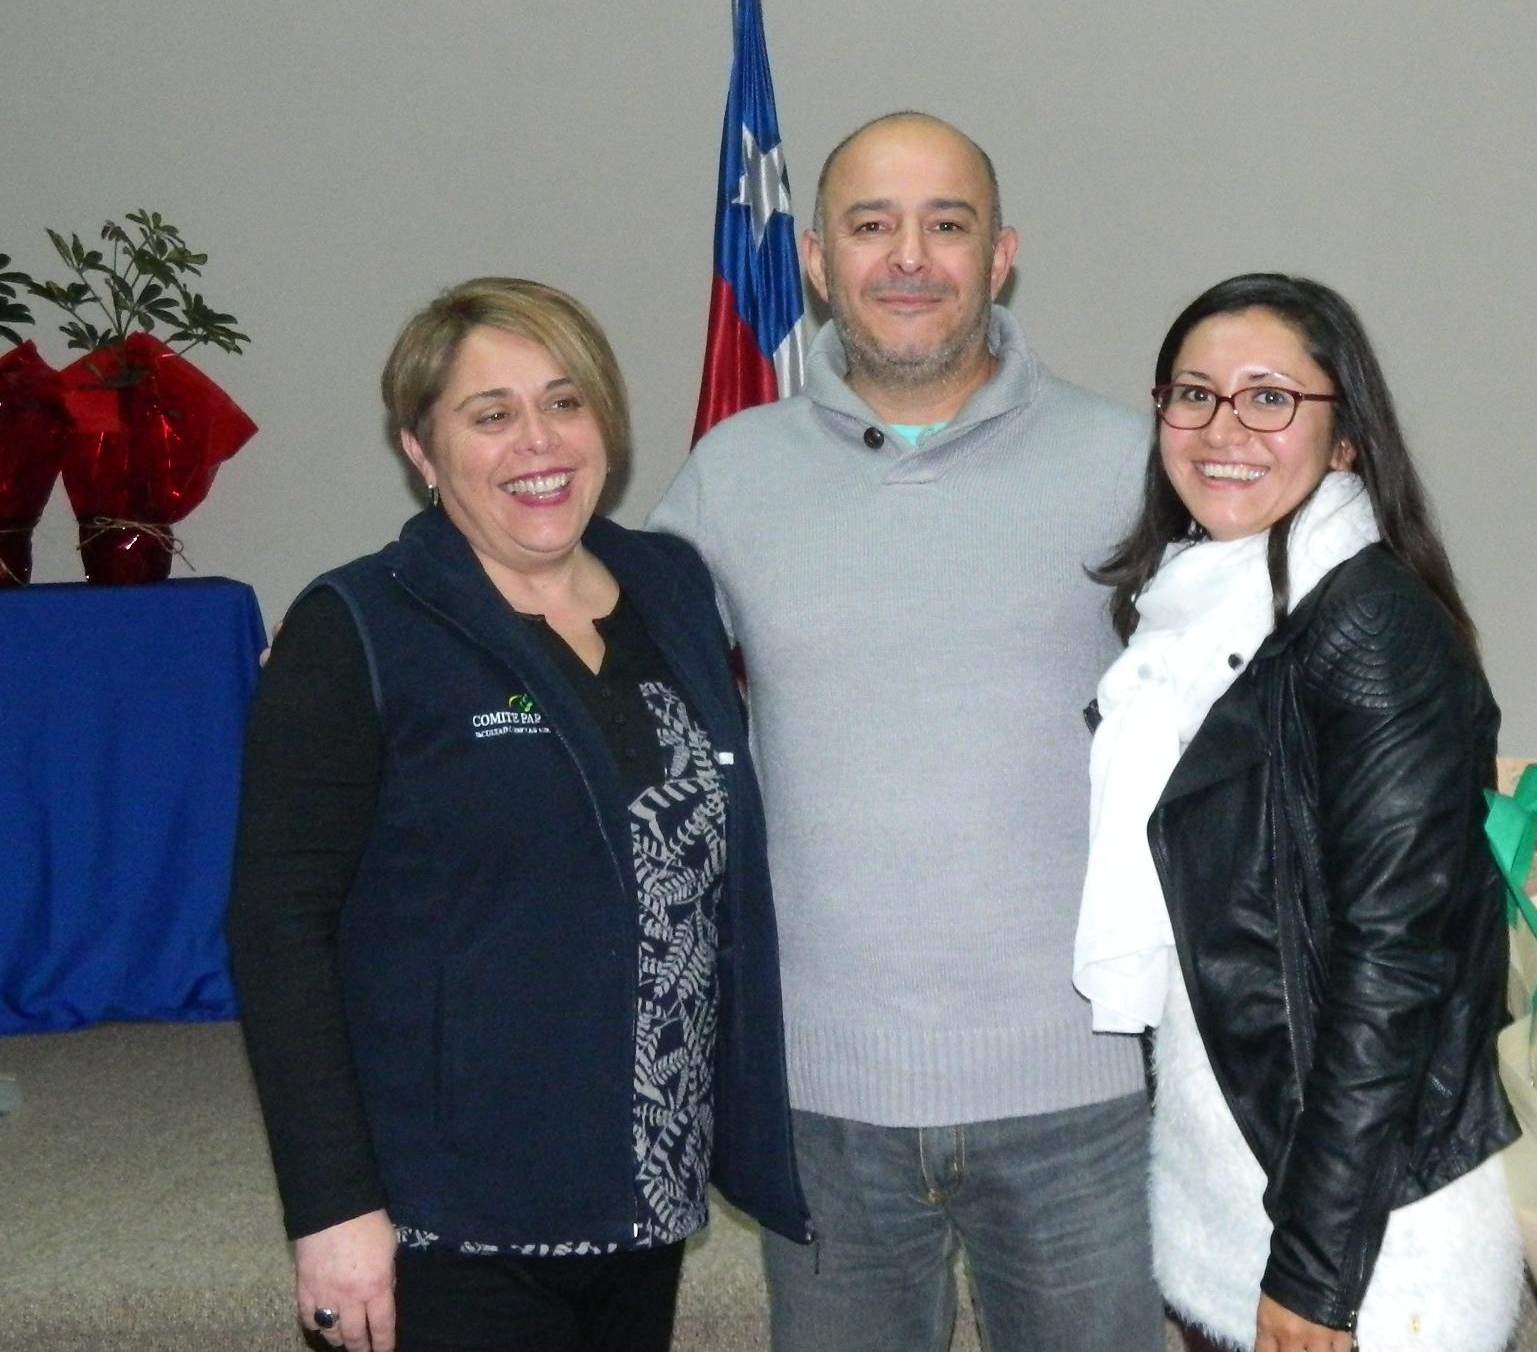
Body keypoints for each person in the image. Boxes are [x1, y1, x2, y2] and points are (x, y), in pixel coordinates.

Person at [648, 112, 1166, 1352]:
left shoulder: (1136, 460)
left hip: (1083, 1089)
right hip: (823, 1098)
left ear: (1002, 255)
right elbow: (601, 654)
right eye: (871, 225)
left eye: (948, 222)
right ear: (818, 261)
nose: (909, 256)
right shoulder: (733, 468)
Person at [227, 278, 806, 1352]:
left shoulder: (669, 586)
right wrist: (331, 1207)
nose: (536, 441)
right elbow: (277, 931)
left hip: (643, 1180)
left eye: (565, 401)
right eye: (489, 415)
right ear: (420, 447)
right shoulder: (355, 626)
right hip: (451, 1210)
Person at [1073, 273, 1522, 1352]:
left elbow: (1392, 970)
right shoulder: (1191, 611)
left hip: (1366, 1215)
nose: (1223, 429)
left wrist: (1318, 1274)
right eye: (1193, 394)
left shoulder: (1367, 631)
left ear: (1346, 438)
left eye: (1269, 398)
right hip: (1231, 1160)